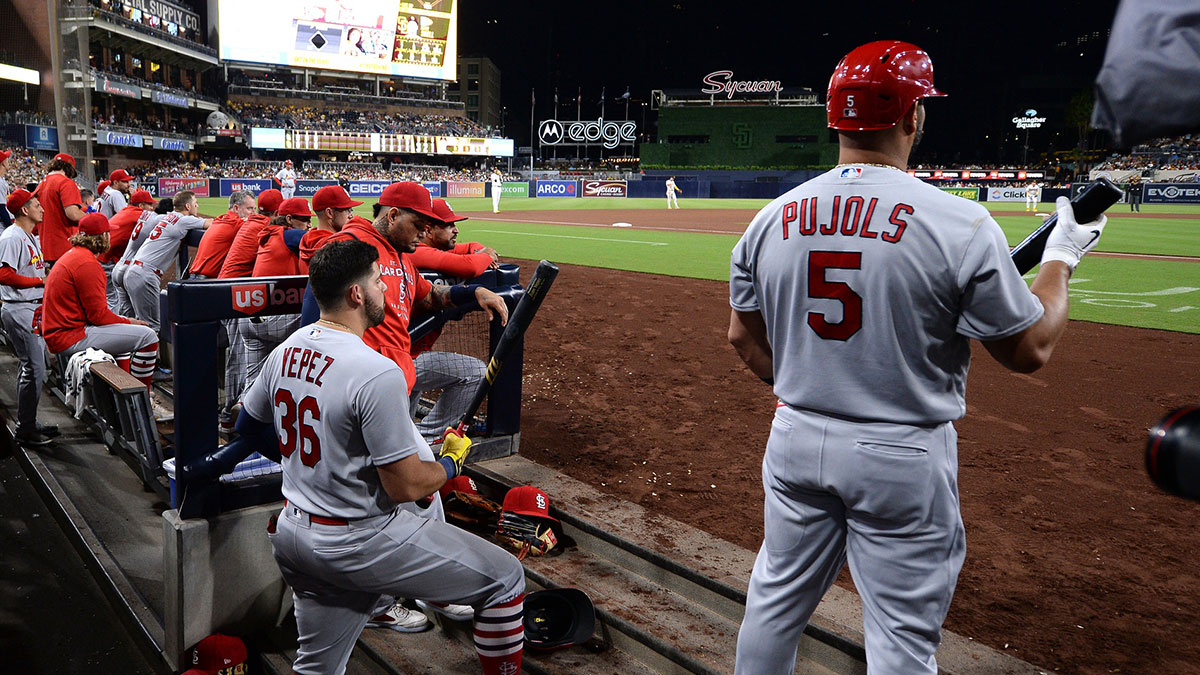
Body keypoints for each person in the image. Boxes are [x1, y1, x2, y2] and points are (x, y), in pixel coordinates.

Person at [728, 40, 1108, 675]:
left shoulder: (771, 218)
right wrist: (1062, 257)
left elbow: (742, 338)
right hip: (900, 452)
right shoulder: (959, 222)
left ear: (836, 119)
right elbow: (1031, 347)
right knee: (901, 642)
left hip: (794, 434)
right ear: (912, 117)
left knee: (773, 605)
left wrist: (806, 376)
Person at [239, 239, 525, 675]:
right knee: (506, 580)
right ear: (357, 294)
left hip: (294, 535)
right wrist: (450, 463)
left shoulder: (288, 348)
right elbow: (406, 486)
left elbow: (247, 426)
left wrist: (314, 464)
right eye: (377, 282)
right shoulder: (376, 371)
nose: (386, 293)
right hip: (358, 543)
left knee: (317, 668)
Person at [40, 212, 168, 419]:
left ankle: (125, 398)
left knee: (126, 337)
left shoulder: (75, 255)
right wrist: (129, 321)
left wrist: (125, 324)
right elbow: (99, 316)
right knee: (148, 336)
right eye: (108, 233)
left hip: (62, 331)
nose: (111, 237)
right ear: (101, 237)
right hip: (69, 336)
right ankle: (143, 403)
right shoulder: (88, 264)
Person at [408, 198, 498, 440]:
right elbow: (470, 266)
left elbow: (472, 247)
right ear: (428, 230)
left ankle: (414, 439)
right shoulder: (418, 252)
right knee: (477, 372)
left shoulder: (431, 249)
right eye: (448, 225)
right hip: (399, 356)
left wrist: (482, 251)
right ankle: (428, 437)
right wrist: (486, 255)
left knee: (400, 425)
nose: (456, 229)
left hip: (407, 353)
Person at [0, 189, 59, 446]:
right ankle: (25, 429)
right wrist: (40, 280)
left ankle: (29, 422)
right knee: (32, 369)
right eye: (37, 205)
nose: (42, 209)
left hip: (30, 308)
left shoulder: (28, 235)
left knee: (34, 369)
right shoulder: (12, 237)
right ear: (24, 210)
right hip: (19, 308)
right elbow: (3, 275)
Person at [120, 190, 212, 332]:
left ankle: (131, 353)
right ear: (188, 206)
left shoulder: (167, 217)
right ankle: (145, 354)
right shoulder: (184, 220)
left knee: (137, 322)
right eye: (195, 204)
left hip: (133, 270)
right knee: (152, 328)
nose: (197, 206)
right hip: (145, 275)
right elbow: (211, 223)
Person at [99, 189, 156, 310]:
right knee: (113, 301)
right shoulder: (139, 214)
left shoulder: (126, 210)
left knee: (115, 299)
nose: (152, 208)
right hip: (106, 260)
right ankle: (113, 327)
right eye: (149, 204)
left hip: (103, 256)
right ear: (141, 205)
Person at [189, 190, 256, 279]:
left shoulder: (221, 219)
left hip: (195, 278)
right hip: (206, 283)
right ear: (236, 208)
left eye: (255, 209)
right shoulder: (236, 223)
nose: (254, 213)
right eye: (249, 209)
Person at [220, 189, 283, 278]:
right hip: (232, 286)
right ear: (277, 213)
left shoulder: (253, 221)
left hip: (225, 281)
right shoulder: (266, 226)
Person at [37, 153, 85, 269]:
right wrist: (90, 218)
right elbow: (72, 214)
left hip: (45, 247)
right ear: (68, 168)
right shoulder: (66, 182)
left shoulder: (41, 184)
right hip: (64, 246)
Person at [0, 148, 12, 229]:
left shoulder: (2, 180)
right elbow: (0, 208)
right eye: (7, 160)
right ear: (2, 163)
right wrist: (10, 227)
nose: (9, 162)